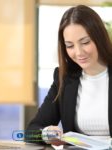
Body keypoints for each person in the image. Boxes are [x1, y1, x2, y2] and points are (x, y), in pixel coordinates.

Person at [25, 5, 112, 145]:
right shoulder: (64, 78)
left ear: (99, 38)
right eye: (70, 46)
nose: (78, 52)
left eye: (85, 42)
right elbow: (30, 132)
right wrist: (47, 134)